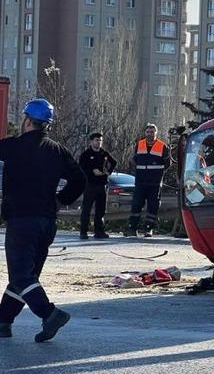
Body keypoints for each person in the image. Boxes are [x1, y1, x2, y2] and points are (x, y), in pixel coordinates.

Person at [0, 98, 85, 342]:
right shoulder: (57, 150)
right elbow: (80, 180)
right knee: (26, 276)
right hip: (47, 222)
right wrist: (61, 199)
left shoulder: (13, 147)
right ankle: (3, 320)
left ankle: (49, 314)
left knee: (21, 276)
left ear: (27, 120)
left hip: (22, 220)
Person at [124, 123, 171, 238]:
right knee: (136, 204)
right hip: (140, 181)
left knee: (153, 205)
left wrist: (157, 173)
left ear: (156, 133)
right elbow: (134, 159)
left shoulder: (162, 146)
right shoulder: (139, 144)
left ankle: (148, 229)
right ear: (145, 133)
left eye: (152, 132)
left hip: (154, 182)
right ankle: (132, 228)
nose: (150, 134)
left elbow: (167, 164)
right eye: (148, 132)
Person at [78, 132, 117, 239]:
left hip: (102, 185)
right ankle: (83, 231)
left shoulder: (104, 153)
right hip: (90, 185)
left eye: (100, 140)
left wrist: (108, 172)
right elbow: (81, 168)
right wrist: (92, 171)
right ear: (91, 141)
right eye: (96, 140)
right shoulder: (86, 154)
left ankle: (99, 231)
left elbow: (114, 162)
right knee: (86, 209)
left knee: (101, 209)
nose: (98, 142)